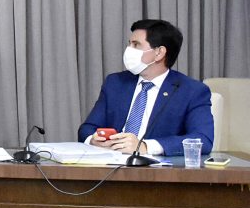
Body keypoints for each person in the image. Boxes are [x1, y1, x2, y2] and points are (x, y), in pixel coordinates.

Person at [79, 19, 214, 156]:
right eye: (129, 44)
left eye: (136, 45)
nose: (128, 50)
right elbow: (87, 128)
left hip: (155, 166)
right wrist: (93, 140)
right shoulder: (116, 83)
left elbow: (203, 140)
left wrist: (145, 146)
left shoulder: (191, 91)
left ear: (159, 53)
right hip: (111, 161)